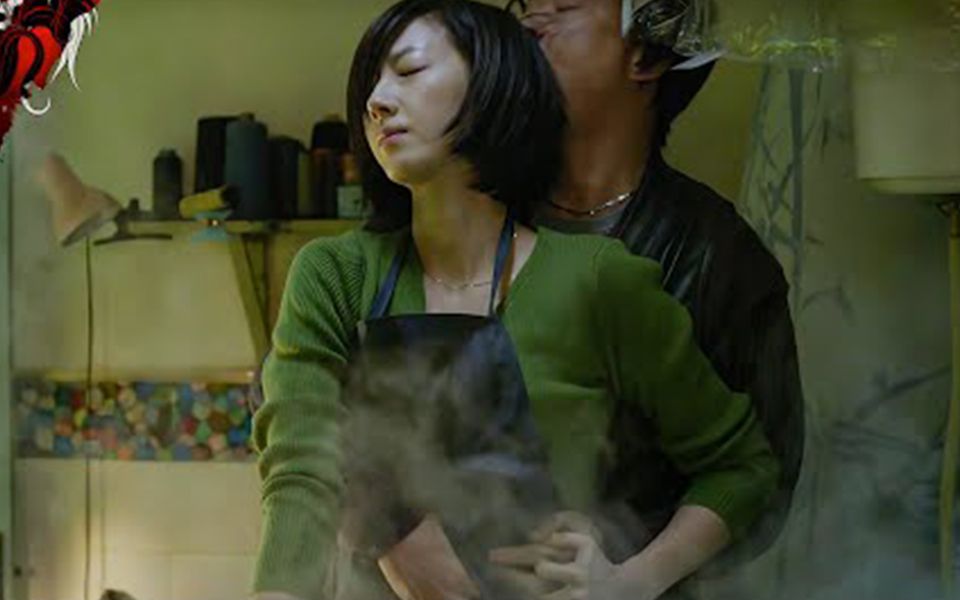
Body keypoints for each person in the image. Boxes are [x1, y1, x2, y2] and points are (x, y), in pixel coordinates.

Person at [250, 1, 779, 599]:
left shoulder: (597, 280)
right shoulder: (335, 275)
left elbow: (743, 468)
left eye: (409, 70)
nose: (376, 100)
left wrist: (632, 582)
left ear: (490, 86)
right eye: (369, 85)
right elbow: (302, 464)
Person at [490, 0, 806, 591]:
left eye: (562, 4)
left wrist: (629, 578)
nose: (530, 22)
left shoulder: (719, 257)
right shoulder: (475, 210)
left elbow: (764, 479)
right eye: (525, 4)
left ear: (647, 53)